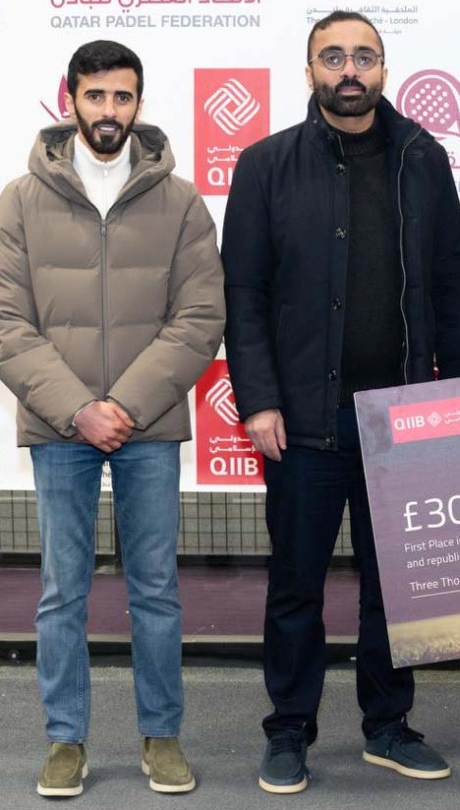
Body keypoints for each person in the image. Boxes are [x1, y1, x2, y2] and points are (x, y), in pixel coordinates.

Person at [222, 11, 460, 794]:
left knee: (392, 585)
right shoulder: (266, 164)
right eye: (333, 57)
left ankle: (387, 724)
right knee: (296, 583)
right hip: (299, 418)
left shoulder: (424, 159)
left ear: (384, 67)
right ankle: (289, 730)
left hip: (400, 415)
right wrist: (259, 398)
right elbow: (245, 293)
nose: (349, 69)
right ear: (310, 73)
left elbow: (447, 282)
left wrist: (453, 403)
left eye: (363, 55)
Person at [0, 40, 224, 797]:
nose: (109, 111)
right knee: (62, 589)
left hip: (146, 426)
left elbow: (199, 318)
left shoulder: (181, 201)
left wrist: (123, 407)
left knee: (155, 587)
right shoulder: (18, 202)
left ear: (138, 102)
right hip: (59, 428)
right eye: (95, 97)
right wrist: (77, 409)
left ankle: (162, 735)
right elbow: (7, 323)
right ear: (71, 99)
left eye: (122, 97)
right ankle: (66, 741)